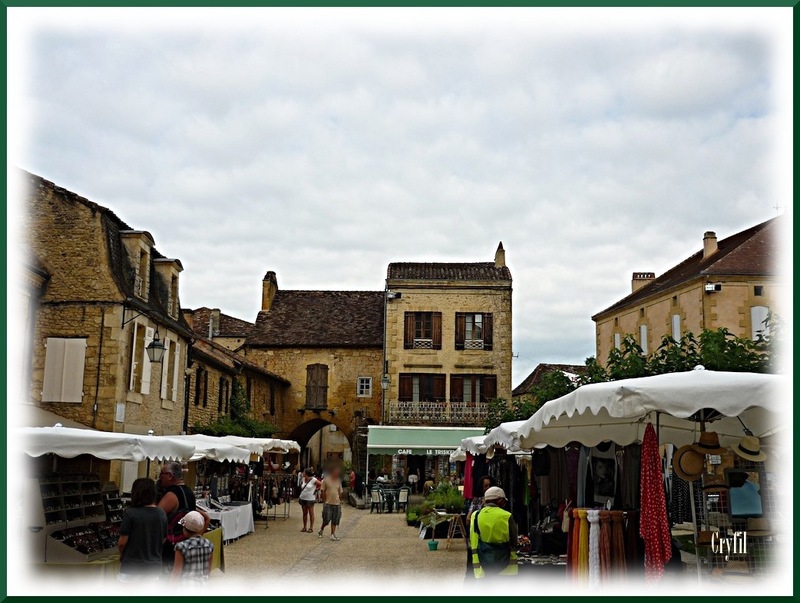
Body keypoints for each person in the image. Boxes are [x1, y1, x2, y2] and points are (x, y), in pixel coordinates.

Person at [158, 461, 210, 570]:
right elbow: (206, 517)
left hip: (170, 549)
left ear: (169, 476)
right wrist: (198, 535)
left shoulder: (172, 494)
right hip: (186, 545)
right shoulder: (189, 492)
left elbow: (156, 517)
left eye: (161, 474)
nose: (159, 477)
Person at [117, 478, 168, 582]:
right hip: (153, 567)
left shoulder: (130, 513)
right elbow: (163, 540)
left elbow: (122, 542)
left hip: (131, 566)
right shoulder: (161, 513)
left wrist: (123, 555)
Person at [469, 486, 518, 580]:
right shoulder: (506, 516)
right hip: (507, 570)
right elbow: (514, 542)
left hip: (483, 569)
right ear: (499, 500)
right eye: (504, 500)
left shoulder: (475, 515)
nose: (504, 503)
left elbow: (473, 538)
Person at [465, 475, 496, 581]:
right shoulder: (477, 500)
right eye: (485, 486)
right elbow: (468, 517)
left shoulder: (496, 500)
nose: (487, 488)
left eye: (489, 485)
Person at [171, 511, 214, 584]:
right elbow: (208, 570)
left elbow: (176, 573)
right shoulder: (209, 544)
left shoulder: (181, 546)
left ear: (184, 529)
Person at [317, 465, 343, 541]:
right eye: (336, 472)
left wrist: (340, 500)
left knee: (335, 519)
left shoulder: (338, 480)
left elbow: (340, 491)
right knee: (326, 519)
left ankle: (332, 534)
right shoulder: (326, 480)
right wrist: (324, 501)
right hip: (328, 503)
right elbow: (322, 490)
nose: (337, 473)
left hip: (336, 503)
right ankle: (321, 529)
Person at [299, 468, 320, 533]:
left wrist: (316, 490)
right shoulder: (303, 479)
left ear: (306, 473)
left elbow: (321, 484)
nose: (302, 473)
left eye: (304, 472)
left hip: (310, 498)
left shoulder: (313, 480)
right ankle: (304, 527)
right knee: (304, 513)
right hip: (303, 497)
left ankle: (311, 527)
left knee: (311, 513)